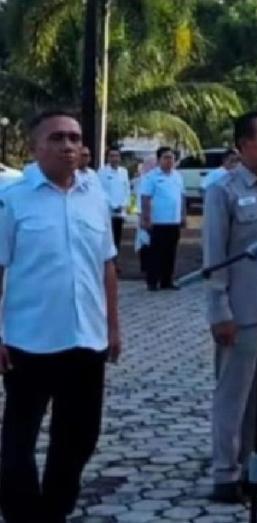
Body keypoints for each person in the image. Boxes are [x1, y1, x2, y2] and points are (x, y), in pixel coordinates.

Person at [0, 110, 121, 523]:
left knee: (80, 436)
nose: (68, 146)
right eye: (57, 138)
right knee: (20, 438)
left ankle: (54, 509)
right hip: (28, 339)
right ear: (35, 148)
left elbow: (106, 264)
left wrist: (113, 326)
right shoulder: (13, 201)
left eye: (74, 138)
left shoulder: (95, 196)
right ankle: (21, 512)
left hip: (86, 338)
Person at [203, 111, 257, 503]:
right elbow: (213, 257)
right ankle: (225, 473)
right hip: (239, 312)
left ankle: (251, 467)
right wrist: (219, 311)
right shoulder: (222, 191)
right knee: (233, 395)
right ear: (242, 145)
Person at [140, 146, 185, 291]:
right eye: (166, 157)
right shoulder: (151, 177)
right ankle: (152, 281)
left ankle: (167, 280)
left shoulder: (178, 176)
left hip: (174, 220)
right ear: (159, 160)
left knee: (171, 252)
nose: (169, 160)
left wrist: (183, 215)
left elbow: (182, 197)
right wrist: (146, 218)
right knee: (156, 253)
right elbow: (145, 198)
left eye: (171, 158)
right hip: (158, 221)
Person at [98, 147, 131, 260]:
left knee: (117, 238)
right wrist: (112, 205)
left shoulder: (124, 172)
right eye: (111, 156)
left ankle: (115, 262)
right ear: (107, 158)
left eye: (116, 156)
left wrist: (123, 204)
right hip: (107, 212)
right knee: (107, 239)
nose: (114, 158)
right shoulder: (102, 173)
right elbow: (101, 192)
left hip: (120, 212)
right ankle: (107, 262)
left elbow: (127, 190)